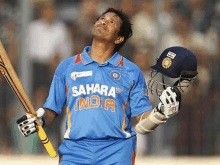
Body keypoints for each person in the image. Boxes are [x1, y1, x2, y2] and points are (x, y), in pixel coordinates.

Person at [17, 8, 198, 165]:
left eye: (111, 22)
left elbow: (141, 118)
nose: (103, 21)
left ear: (119, 38)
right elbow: (51, 111)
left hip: (117, 151)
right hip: (75, 151)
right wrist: (39, 119)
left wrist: (161, 112)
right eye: (102, 18)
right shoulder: (67, 67)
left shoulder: (131, 71)